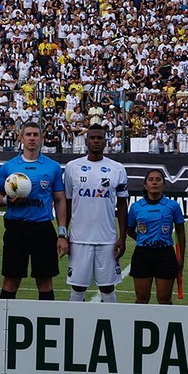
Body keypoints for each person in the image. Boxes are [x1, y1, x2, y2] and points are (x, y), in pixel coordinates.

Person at [0, 121, 68, 300]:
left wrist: (62, 233)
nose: (32, 138)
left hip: (43, 229)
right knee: (11, 281)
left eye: (36, 135)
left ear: (41, 138)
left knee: (45, 282)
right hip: (16, 229)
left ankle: (46, 325)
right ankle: (4, 325)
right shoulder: (9, 166)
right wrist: (7, 200)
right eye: (28, 134)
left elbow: (60, 200)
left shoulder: (53, 167)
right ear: (21, 138)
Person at [64, 123, 128, 303]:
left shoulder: (117, 168)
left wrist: (122, 237)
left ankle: (111, 325)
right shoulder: (72, 167)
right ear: (86, 141)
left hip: (107, 239)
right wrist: (63, 234)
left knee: (107, 287)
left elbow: (122, 205)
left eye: (100, 138)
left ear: (105, 141)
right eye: (92, 138)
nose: (96, 141)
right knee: (78, 287)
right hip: (79, 239)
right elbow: (67, 203)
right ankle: (74, 325)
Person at [126, 169, 186, 304]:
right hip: (143, 254)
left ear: (164, 185)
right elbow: (129, 230)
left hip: (165, 254)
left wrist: (181, 256)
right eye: (151, 180)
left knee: (164, 299)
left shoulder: (173, 206)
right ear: (145, 185)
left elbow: (180, 232)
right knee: (142, 299)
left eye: (158, 180)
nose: (154, 183)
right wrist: (143, 240)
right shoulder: (136, 207)